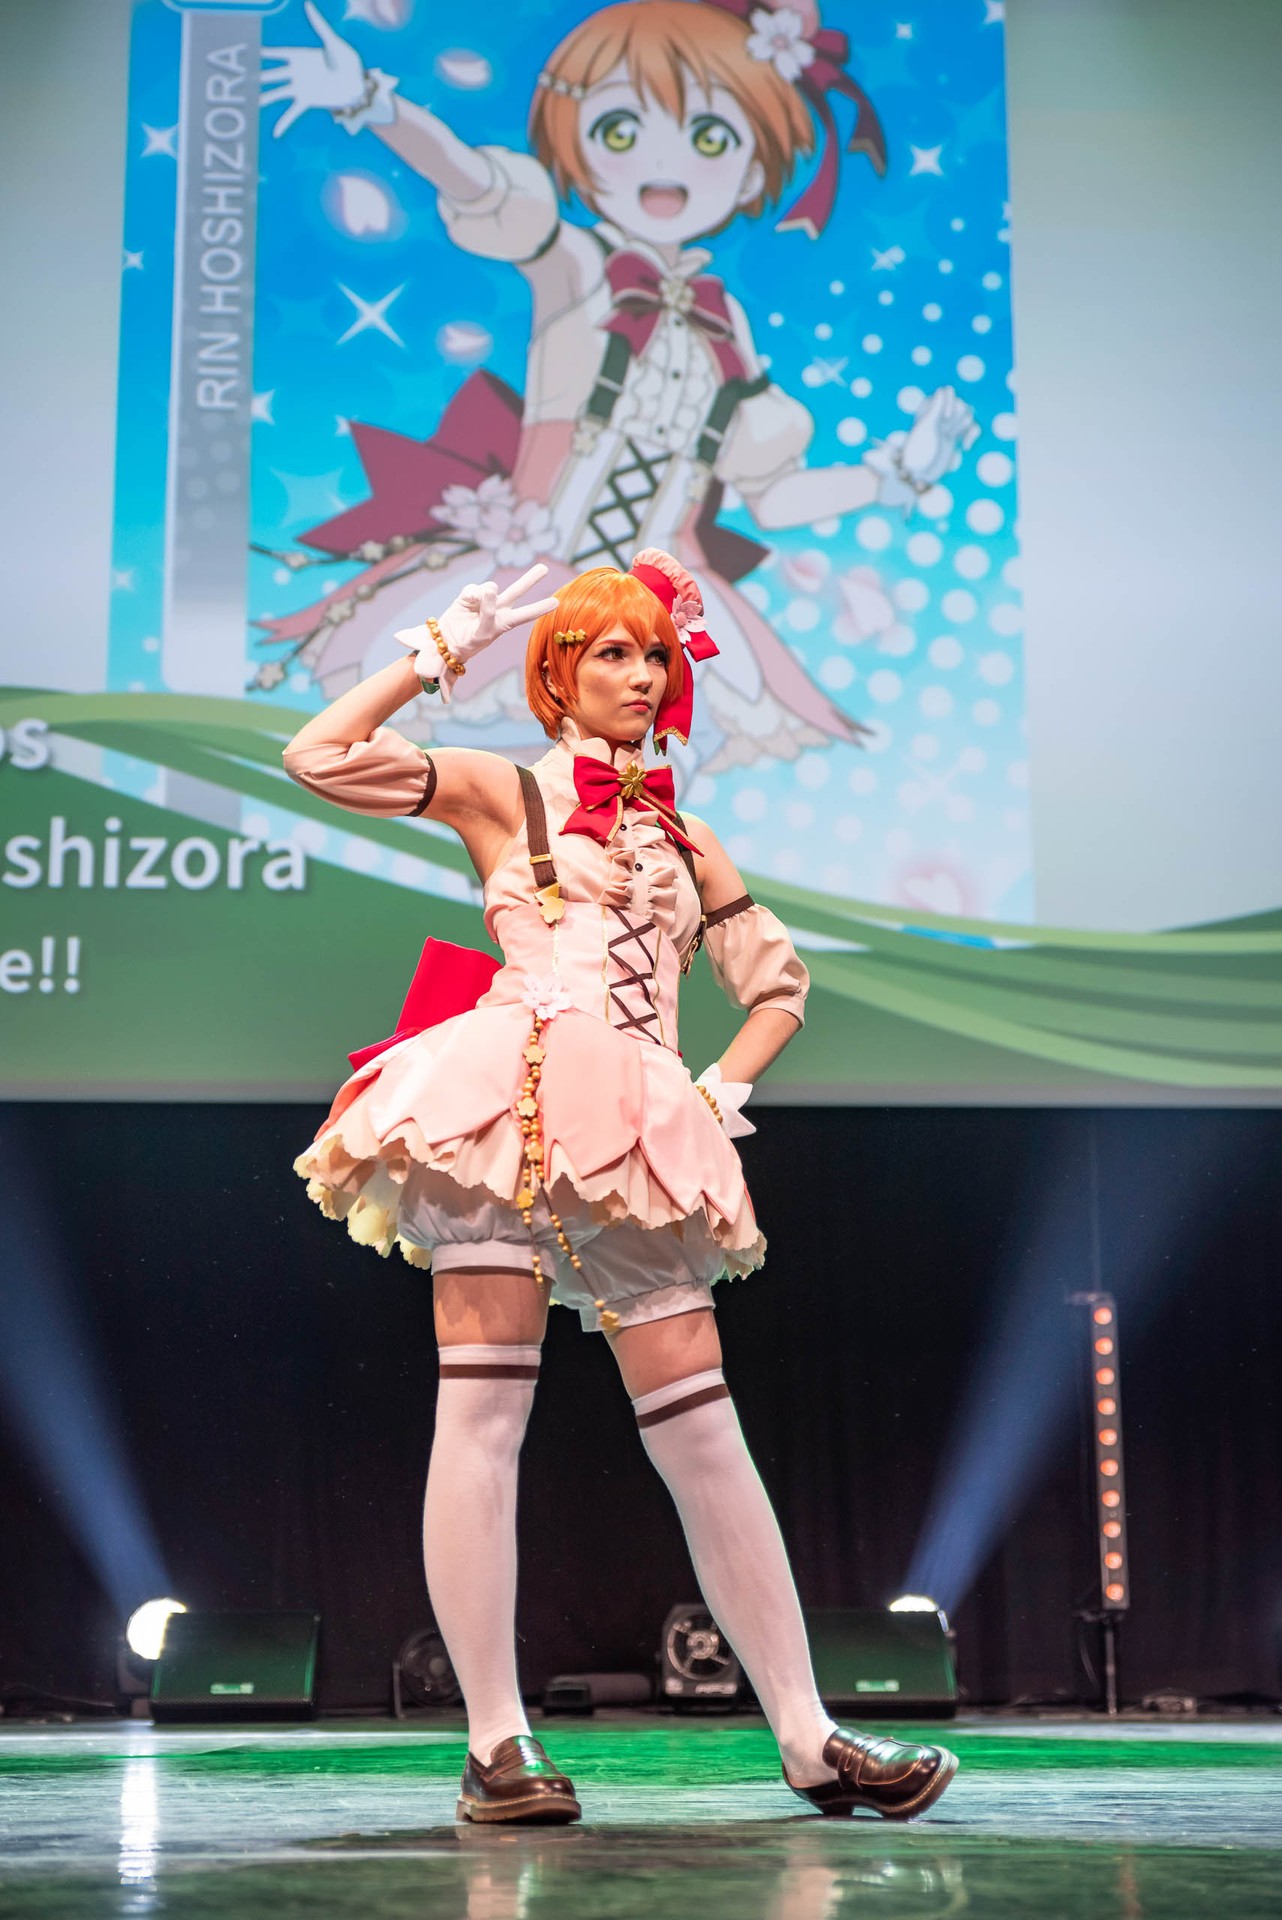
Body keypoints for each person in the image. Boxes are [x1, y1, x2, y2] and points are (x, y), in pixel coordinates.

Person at [282, 550, 958, 1824]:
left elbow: (778, 986)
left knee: (705, 1434)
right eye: (610, 652)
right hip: (510, 1099)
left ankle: (809, 1736)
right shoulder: (504, 791)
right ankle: (496, 1744)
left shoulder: (689, 838)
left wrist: (719, 1089)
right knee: (485, 1415)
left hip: (637, 1129)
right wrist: (434, 655)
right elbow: (317, 757)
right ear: (558, 673)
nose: (639, 675)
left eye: (653, 654)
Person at [258, 0, 976, 781]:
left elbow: (771, 496)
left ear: (753, 167)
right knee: (492, 752)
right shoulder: (578, 268)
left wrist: (893, 477)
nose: (664, 165)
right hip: (541, 578)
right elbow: (480, 187)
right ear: (575, 140)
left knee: (666, 764)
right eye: (621, 130)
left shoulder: (725, 328)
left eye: (710, 137)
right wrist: (378, 105)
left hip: (651, 607)